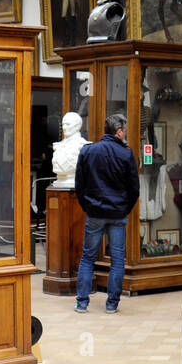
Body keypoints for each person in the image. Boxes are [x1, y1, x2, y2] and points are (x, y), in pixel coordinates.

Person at [73, 114, 139, 313]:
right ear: (119, 132)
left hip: (94, 212)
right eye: (124, 131)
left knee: (87, 258)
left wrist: (88, 206)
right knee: (118, 260)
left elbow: (80, 185)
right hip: (118, 213)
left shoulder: (88, 151)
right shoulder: (126, 154)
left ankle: (82, 303)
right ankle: (112, 304)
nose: (125, 134)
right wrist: (124, 209)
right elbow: (134, 189)